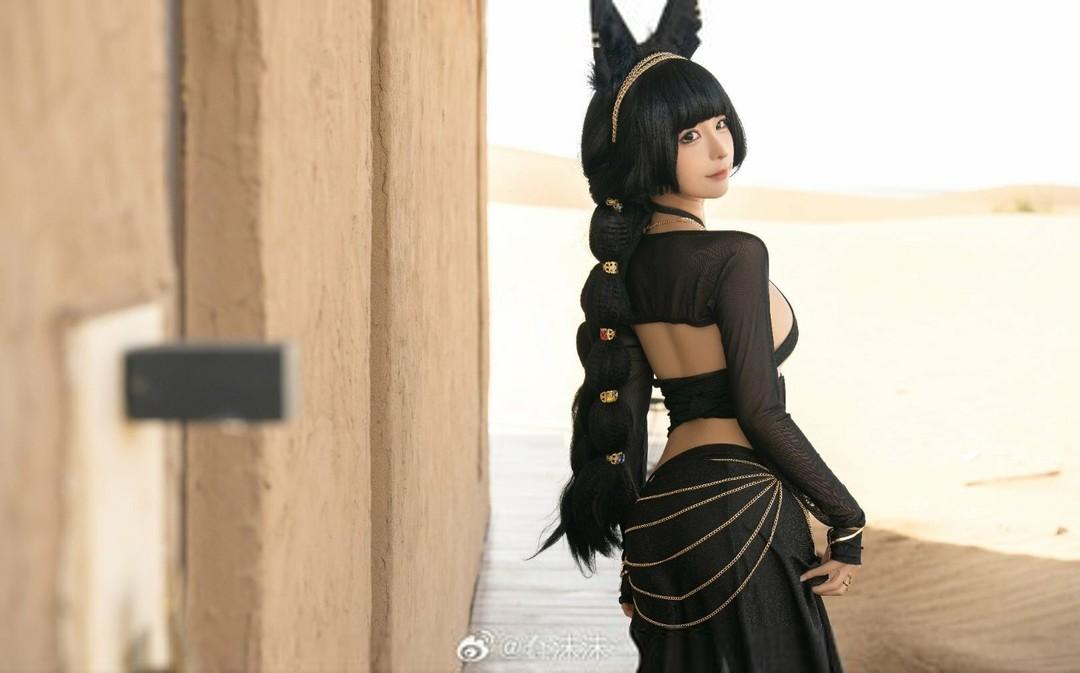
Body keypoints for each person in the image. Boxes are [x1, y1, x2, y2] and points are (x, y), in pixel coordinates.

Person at [528, 1, 867, 670]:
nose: (719, 147)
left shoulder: (622, 273)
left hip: (664, 514)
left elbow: (623, 422)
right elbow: (760, 411)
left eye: (720, 124)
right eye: (689, 135)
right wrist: (846, 518)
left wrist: (635, 557)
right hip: (743, 509)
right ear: (647, 148)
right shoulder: (734, 255)